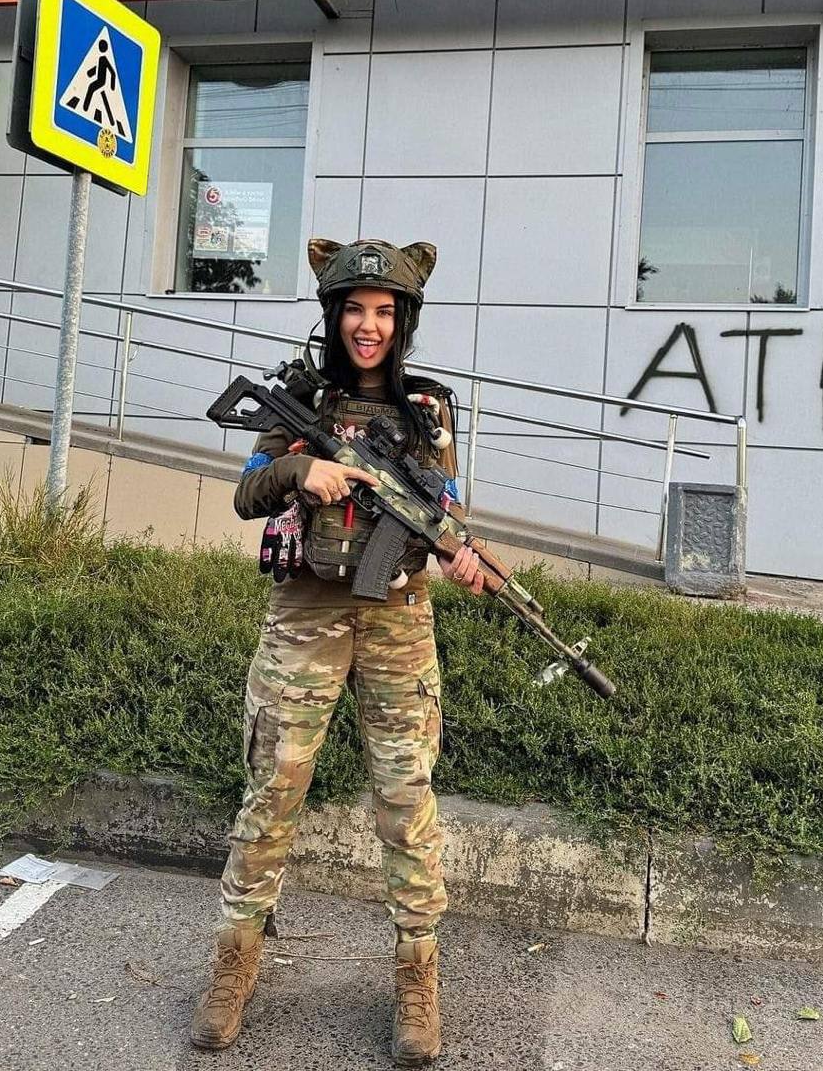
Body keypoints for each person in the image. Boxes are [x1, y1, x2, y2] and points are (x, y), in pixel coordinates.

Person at [191, 238, 483, 1065]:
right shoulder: (299, 401)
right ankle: (233, 964)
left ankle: (418, 977)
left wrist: (462, 553)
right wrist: (301, 474)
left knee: (406, 798)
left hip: (398, 621)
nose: (368, 326)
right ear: (333, 315)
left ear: (404, 321)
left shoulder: (427, 410)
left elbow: (445, 509)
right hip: (303, 618)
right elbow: (249, 492)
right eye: (355, 309)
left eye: (385, 313)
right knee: (271, 791)